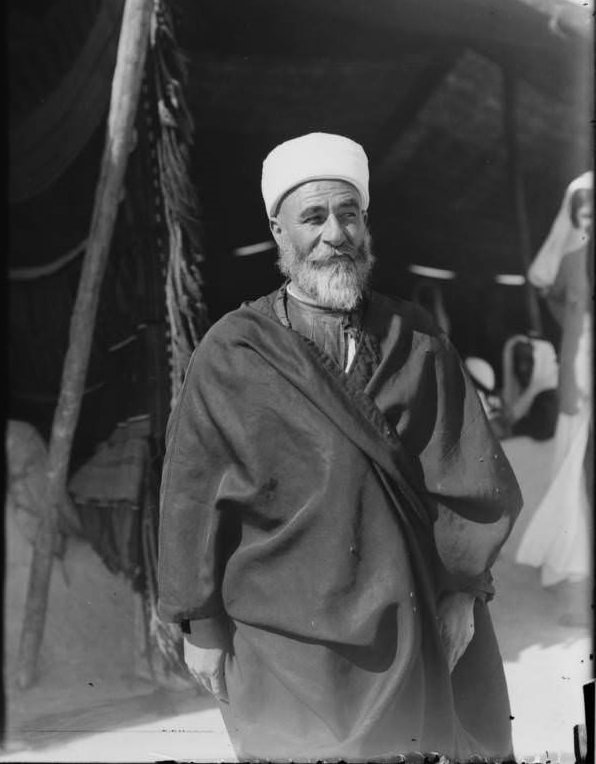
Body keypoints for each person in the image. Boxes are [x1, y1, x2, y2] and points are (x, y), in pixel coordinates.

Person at [158, 132, 522, 760]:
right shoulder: (231, 351)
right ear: (279, 231)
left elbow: (466, 474)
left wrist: (463, 590)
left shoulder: (417, 338)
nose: (335, 234)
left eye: (348, 214)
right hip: (279, 634)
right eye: (314, 217)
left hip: (407, 627)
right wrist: (202, 625)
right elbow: (193, 493)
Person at [515, 172, 593, 611]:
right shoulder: (571, 258)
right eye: (582, 210)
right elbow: (555, 297)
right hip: (579, 370)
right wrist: (572, 359)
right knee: (572, 465)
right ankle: (569, 570)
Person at [500, 335, 559, 441]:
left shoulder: (549, 397)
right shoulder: (525, 395)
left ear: (541, 362)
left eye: (529, 361)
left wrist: (508, 430)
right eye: (518, 361)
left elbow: (543, 430)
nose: (522, 368)